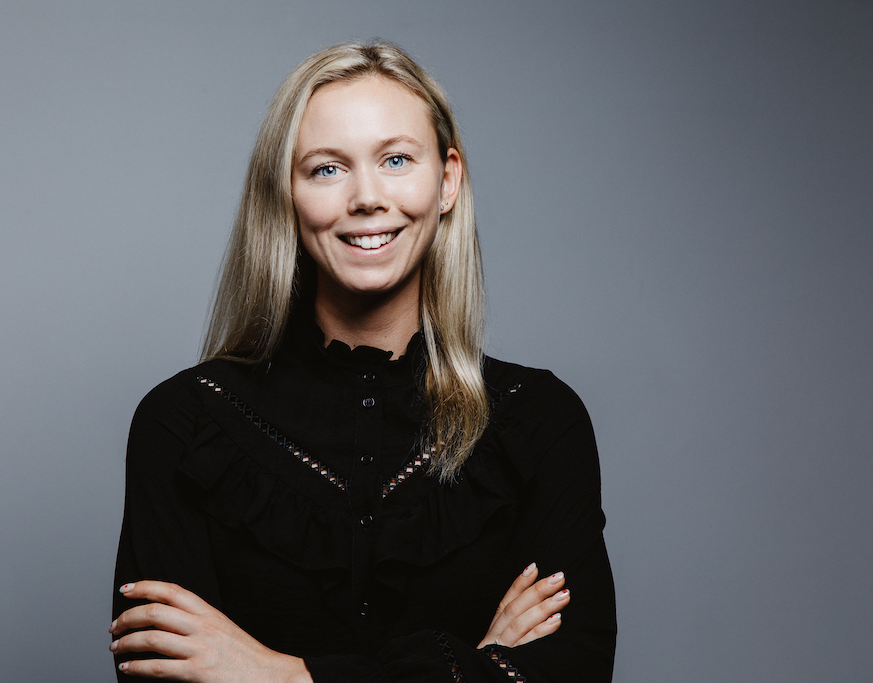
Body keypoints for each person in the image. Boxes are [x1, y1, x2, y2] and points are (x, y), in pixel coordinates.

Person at [109, 41, 617, 682]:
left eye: (396, 160)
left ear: (447, 181)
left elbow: (573, 673)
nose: (367, 197)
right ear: (286, 193)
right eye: (327, 169)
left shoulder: (540, 423)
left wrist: (282, 676)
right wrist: (476, 667)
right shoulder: (183, 425)